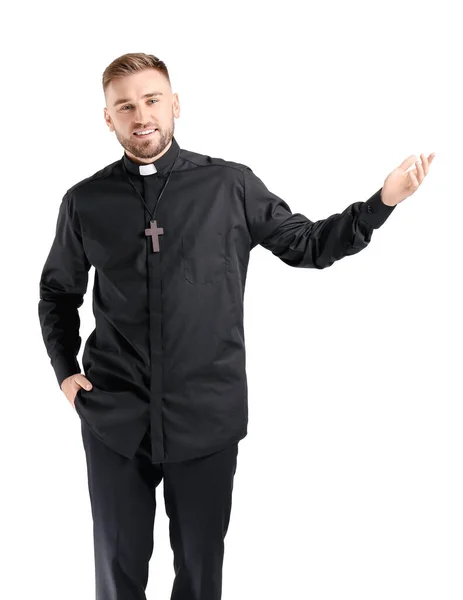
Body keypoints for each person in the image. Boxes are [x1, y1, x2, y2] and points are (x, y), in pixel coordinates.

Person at [37, 52, 435, 600]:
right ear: (108, 117)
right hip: (114, 417)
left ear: (175, 105)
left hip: (206, 415)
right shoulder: (85, 201)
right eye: (125, 106)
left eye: (152, 100)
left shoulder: (231, 186)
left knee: (201, 575)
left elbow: (308, 245)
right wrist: (65, 372)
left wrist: (382, 202)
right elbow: (58, 292)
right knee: (116, 569)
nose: (141, 115)